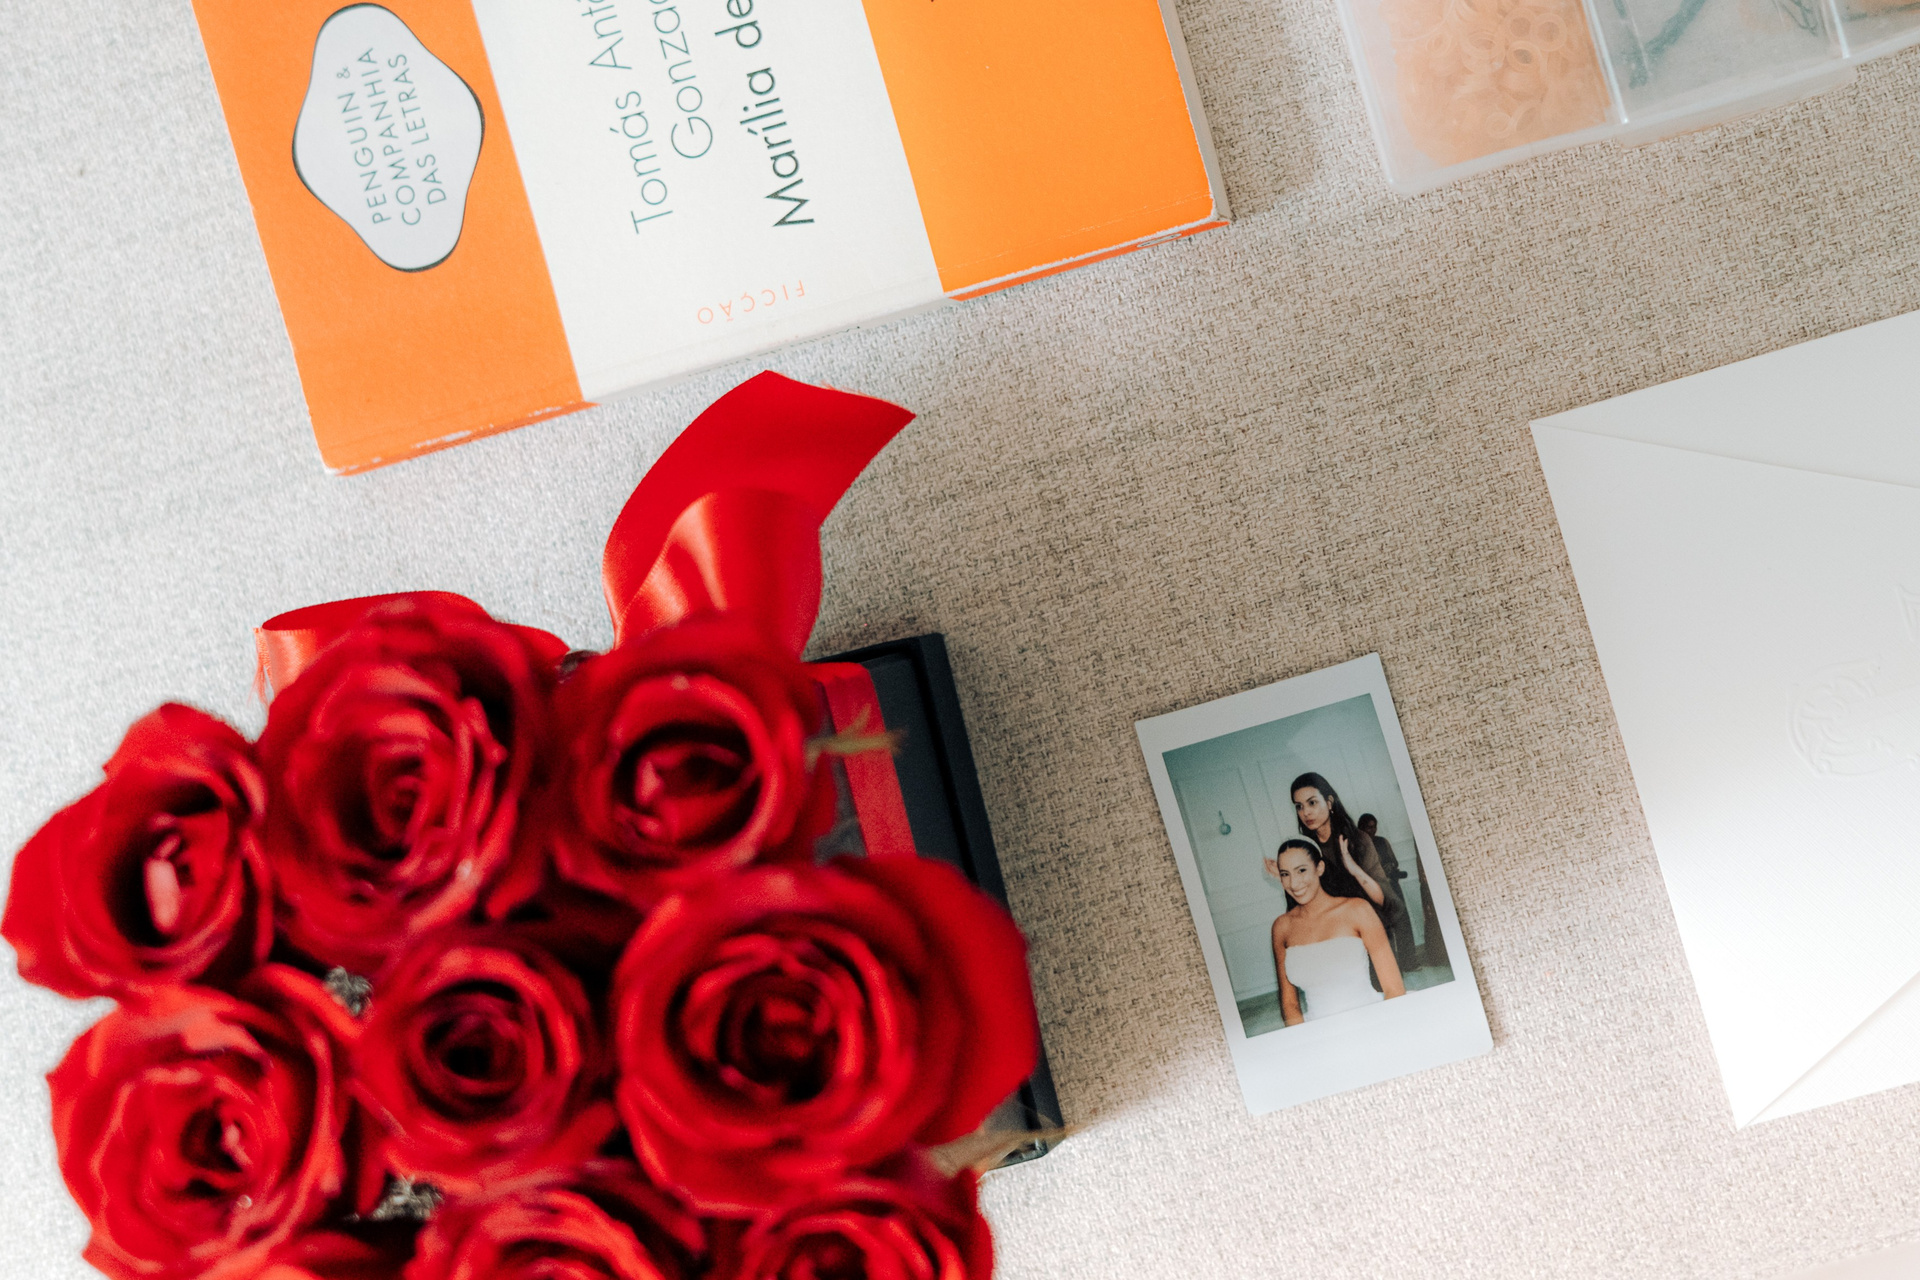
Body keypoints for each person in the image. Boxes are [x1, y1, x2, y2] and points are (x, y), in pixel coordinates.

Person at [1270, 837, 1404, 1024]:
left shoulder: (1358, 910)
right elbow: (1290, 1005)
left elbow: (1394, 988)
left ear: (1319, 868)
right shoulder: (1282, 927)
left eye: (1301, 870)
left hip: (1372, 1020)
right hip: (1318, 1030)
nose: (1294, 883)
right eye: (1285, 874)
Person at [1288, 772, 1395, 932]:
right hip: (1332, 934)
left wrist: (1354, 869)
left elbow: (1383, 899)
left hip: (1370, 927)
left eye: (1312, 802)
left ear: (1329, 803)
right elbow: (1299, 910)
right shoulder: (1302, 851)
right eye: (1299, 806)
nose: (1305, 812)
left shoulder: (1358, 840)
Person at [1357, 812, 1419, 972]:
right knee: (1383, 929)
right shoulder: (1357, 846)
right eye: (1368, 827)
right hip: (1374, 892)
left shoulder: (1382, 842)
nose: (1372, 830)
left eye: (1374, 827)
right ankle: (1390, 968)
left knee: (1403, 922)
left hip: (1392, 887)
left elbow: (1394, 861)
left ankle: (1409, 963)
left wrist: (1390, 868)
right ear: (1361, 828)